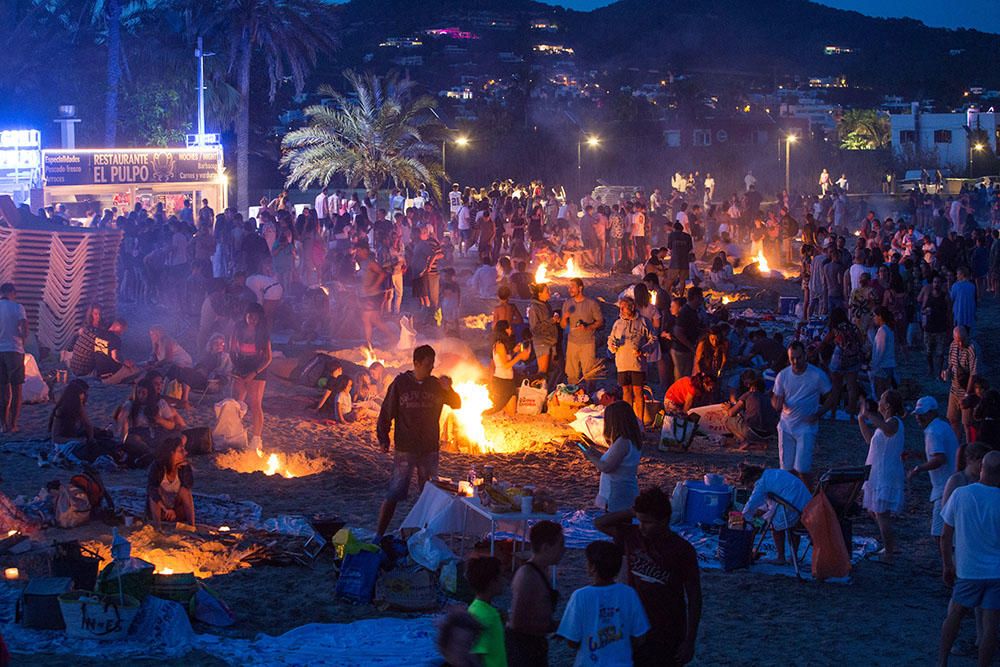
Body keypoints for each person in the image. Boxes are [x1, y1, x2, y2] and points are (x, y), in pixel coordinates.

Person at [594, 486, 701, 666]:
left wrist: (690, 640)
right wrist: (631, 512)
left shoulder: (681, 550)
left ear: (665, 520)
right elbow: (600, 523)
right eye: (639, 520)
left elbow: (694, 596)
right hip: (633, 625)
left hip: (667, 629)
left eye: (648, 522)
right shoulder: (632, 536)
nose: (642, 526)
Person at [375, 345, 460, 538]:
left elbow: (457, 404)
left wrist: (449, 388)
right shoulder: (400, 383)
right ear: (416, 363)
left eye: (432, 364)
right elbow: (387, 411)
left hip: (429, 447)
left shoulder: (435, 384)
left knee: (429, 493)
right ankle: (378, 534)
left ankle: (426, 534)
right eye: (428, 364)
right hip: (406, 447)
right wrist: (383, 437)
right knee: (395, 491)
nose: (431, 368)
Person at [937, 451, 1000, 666]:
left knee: (954, 616)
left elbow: (945, 534)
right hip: (996, 572)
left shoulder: (961, 494)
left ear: (982, 468)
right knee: (990, 624)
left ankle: (942, 660)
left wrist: (947, 564)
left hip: (968, 570)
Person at [557, 540, 649, 666]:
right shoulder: (628, 593)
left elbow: (572, 641)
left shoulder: (580, 596)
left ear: (593, 567)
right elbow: (640, 635)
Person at [772, 341, 834, 480]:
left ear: (805, 356)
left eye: (798, 357)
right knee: (786, 469)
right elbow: (776, 398)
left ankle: (807, 498)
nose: (795, 361)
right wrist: (777, 403)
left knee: (802, 469)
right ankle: (790, 498)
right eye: (792, 358)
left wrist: (819, 413)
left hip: (806, 427)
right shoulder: (783, 375)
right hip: (786, 426)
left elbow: (831, 396)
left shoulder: (817, 375)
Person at [507, 520, 565, 666]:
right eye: (560, 545)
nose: (564, 550)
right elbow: (517, 623)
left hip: (535, 647)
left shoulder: (541, 571)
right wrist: (555, 627)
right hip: (524, 653)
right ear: (546, 547)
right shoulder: (527, 575)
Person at [858, 390, 906, 564]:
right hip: (877, 472)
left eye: (881, 399)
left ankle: (890, 551)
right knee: (874, 511)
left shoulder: (894, 422)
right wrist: (861, 419)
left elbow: (887, 430)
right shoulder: (885, 423)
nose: (879, 401)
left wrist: (869, 414)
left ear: (887, 405)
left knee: (881, 513)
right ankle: (890, 545)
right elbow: (869, 440)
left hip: (886, 472)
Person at [909, 396, 960, 544]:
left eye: (921, 414)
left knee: (939, 533)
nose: (918, 417)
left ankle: (948, 564)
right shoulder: (942, 426)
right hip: (952, 483)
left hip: (943, 487)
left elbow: (939, 459)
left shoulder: (932, 432)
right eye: (917, 414)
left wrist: (918, 469)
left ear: (931, 413)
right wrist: (917, 454)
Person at [739, 464, 812, 565]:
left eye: (750, 485)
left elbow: (752, 502)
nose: (750, 488)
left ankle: (780, 557)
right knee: (789, 526)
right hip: (806, 507)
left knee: (774, 524)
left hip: (793, 507)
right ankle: (793, 556)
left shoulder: (761, 482)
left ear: (754, 478)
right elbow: (772, 499)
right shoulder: (773, 473)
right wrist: (761, 510)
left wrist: (743, 517)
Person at [580, 400, 642, 512]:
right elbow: (615, 461)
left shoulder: (623, 442)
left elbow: (606, 467)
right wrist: (595, 453)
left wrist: (590, 457)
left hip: (618, 495)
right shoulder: (629, 440)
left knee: (612, 525)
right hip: (624, 492)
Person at [230, 302, 272, 451]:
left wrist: (254, 373)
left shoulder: (262, 333)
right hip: (241, 365)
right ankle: (235, 434)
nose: (253, 319)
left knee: (255, 404)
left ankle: (256, 440)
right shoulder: (238, 328)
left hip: (258, 367)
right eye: (250, 316)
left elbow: (268, 358)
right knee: (236, 402)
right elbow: (232, 350)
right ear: (245, 316)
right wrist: (236, 368)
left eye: (256, 317)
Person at [607, 296, 655, 424]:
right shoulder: (618, 324)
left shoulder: (643, 322)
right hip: (622, 363)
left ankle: (640, 422)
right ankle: (627, 421)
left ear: (632, 307)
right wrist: (612, 346)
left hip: (637, 364)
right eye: (620, 307)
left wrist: (643, 350)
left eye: (624, 307)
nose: (621, 310)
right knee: (626, 391)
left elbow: (653, 340)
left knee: (638, 391)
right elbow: (611, 339)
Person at [146, 435, 195, 532]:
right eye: (181, 451)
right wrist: (166, 509)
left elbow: (188, 486)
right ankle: (158, 527)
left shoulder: (184, 467)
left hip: (177, 510)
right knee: (155, 492)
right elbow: (151, 489)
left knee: (185, 491)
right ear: (172, 454)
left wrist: (181, 469)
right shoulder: (157, 467)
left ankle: (192, 526)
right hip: (162, 511)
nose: (186, 453)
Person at [561, 278, 604, 387]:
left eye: (572, 287)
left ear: (580, 288)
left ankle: (589, 397)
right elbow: (563, 326)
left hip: (588, 343)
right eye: (569, 287)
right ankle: (573, 398)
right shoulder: (567, 304)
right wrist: (564, 318)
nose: (569, 289)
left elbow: (600, 321)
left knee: (589, 374)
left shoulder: (591, 304)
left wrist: (588, 327)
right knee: (571, 375)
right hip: (572, 343)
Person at [483, 320, 531, 415]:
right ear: (504, 330)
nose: (511, 330)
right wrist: (519, 356)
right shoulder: (499, 345)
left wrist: (514, 351)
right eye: (509, 328)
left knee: (511, 412)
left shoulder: (502, 345)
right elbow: (505, 365)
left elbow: (505, 359)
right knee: (497, 410)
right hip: (502, 382)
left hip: (508, 381)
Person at [465, 556, 507, 667]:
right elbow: (477, 655)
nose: (504, 580)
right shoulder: (486, 616)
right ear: (492, 581)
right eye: (501, 576)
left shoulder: (477, 608)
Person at [0, 283, 28, 434]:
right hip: (14, 350)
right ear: (12, 292)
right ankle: (13, 424)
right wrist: (23, 338)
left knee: (2, 389)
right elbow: (24, 327)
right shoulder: (18, 307)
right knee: (17, 389)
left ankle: (3, 425)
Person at [946, 325, 979, 448]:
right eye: (957, 340)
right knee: (953, 419)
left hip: (967, 391)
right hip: (954, 390)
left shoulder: (972, 349)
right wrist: (947, 371)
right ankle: (957, 448)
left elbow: (973, 374)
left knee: (968, 424)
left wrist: (967, 394)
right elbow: (951, 364)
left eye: (962, 340)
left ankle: (971, 449)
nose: (960, 343)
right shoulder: (953, 345)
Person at [725, 378, 778, 449]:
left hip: (752, 432)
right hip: (768, 434)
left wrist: (728, 408)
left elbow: (732, 413)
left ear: (752, 388)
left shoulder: (748, 394)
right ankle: (759, 444)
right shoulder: (768, 398)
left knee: (729, 420)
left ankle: (744, 441)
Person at [528, 283, 560, 375]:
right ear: (539, 294)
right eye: (547, 291)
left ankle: (546, 388)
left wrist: (555, 319)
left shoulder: (546, 305)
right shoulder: (534, 308)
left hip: (550, 341)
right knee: (542, 371)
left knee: (551, 371)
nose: (549, 293)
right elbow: (534, 328)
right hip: (542, 342)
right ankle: (536, 388)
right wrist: (551, 321)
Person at [869, 306, 896, 398]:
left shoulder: (882, 331)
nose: (873, 318)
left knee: (880, 394)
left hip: (882, 367)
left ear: (879, 316)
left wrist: (874, 366)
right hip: (889, 365)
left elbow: (879, 351)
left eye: (874, 316)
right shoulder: (889, 329)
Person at [950, 266, 977, 331]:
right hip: (969, 312)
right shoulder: (972, 286)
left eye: (958, 274)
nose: (956, 276)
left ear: (962, 274)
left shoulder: (956, 285)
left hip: (958, 313)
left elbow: (951, 298)